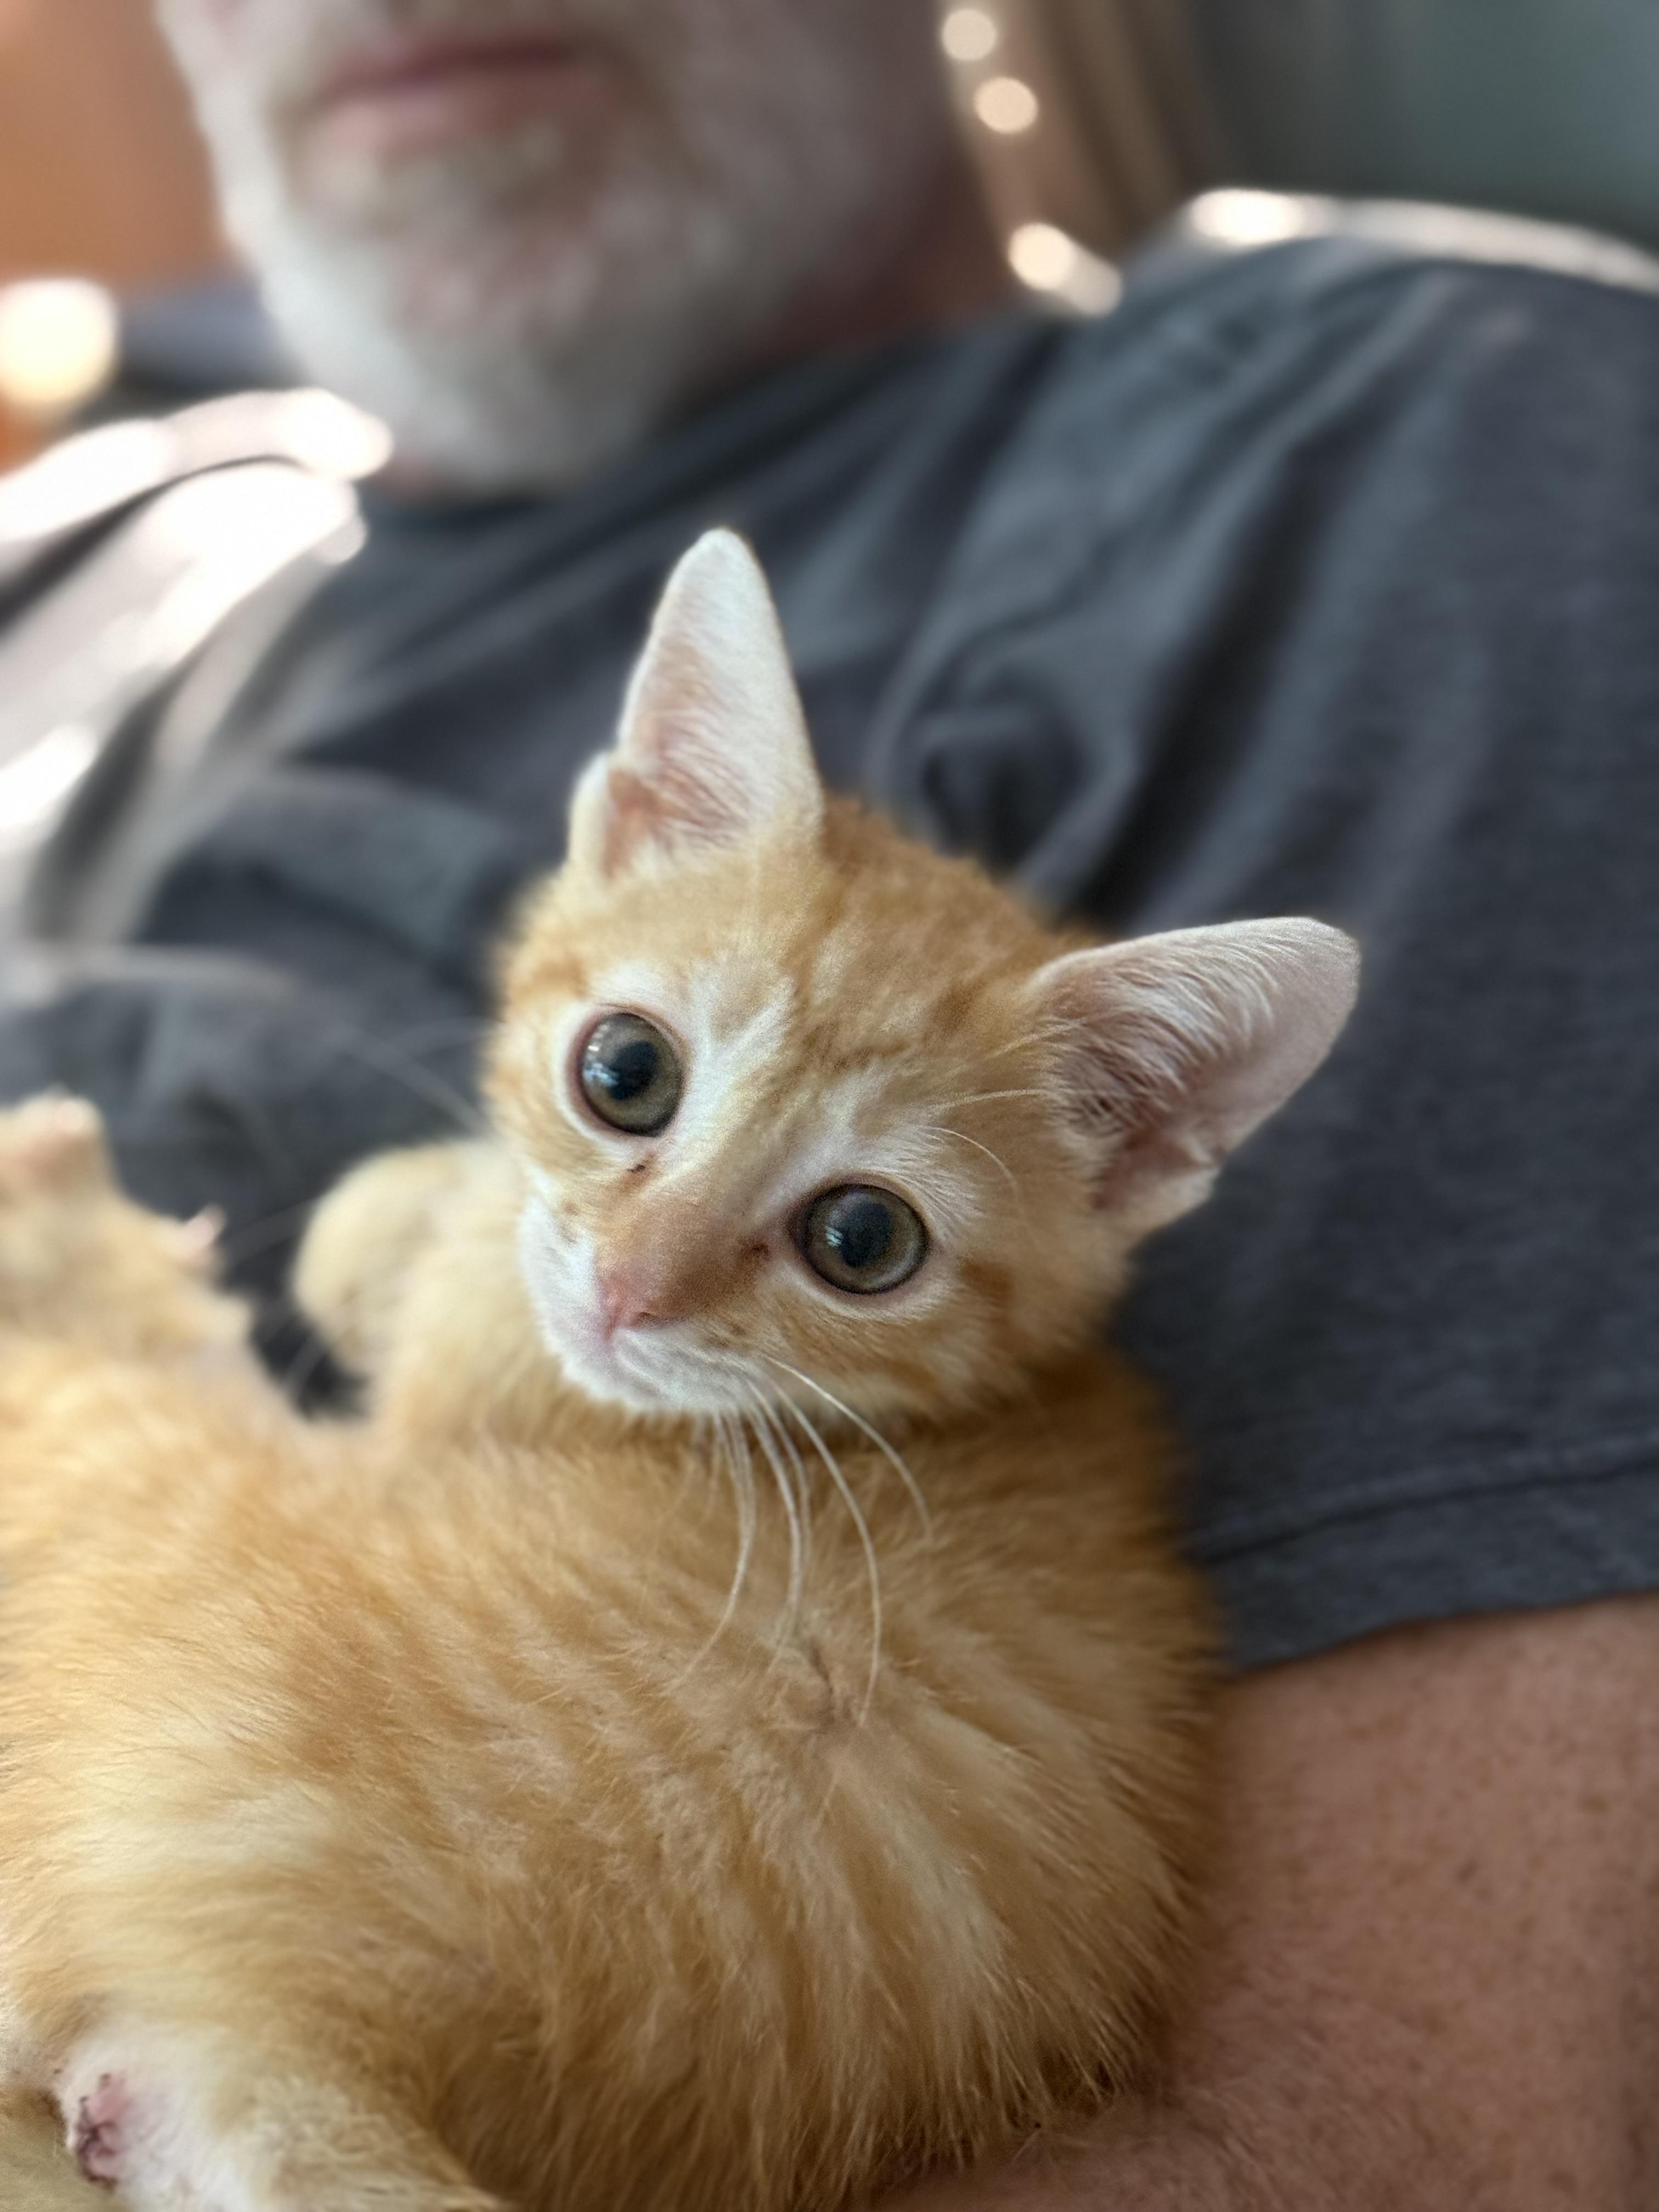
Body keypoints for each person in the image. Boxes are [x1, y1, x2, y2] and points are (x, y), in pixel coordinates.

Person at [5, 2, 1659, 2201]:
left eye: (854, 1228)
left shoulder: (1409, 447)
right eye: (622, 1084)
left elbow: (1400, 2135)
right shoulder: (96, 522)